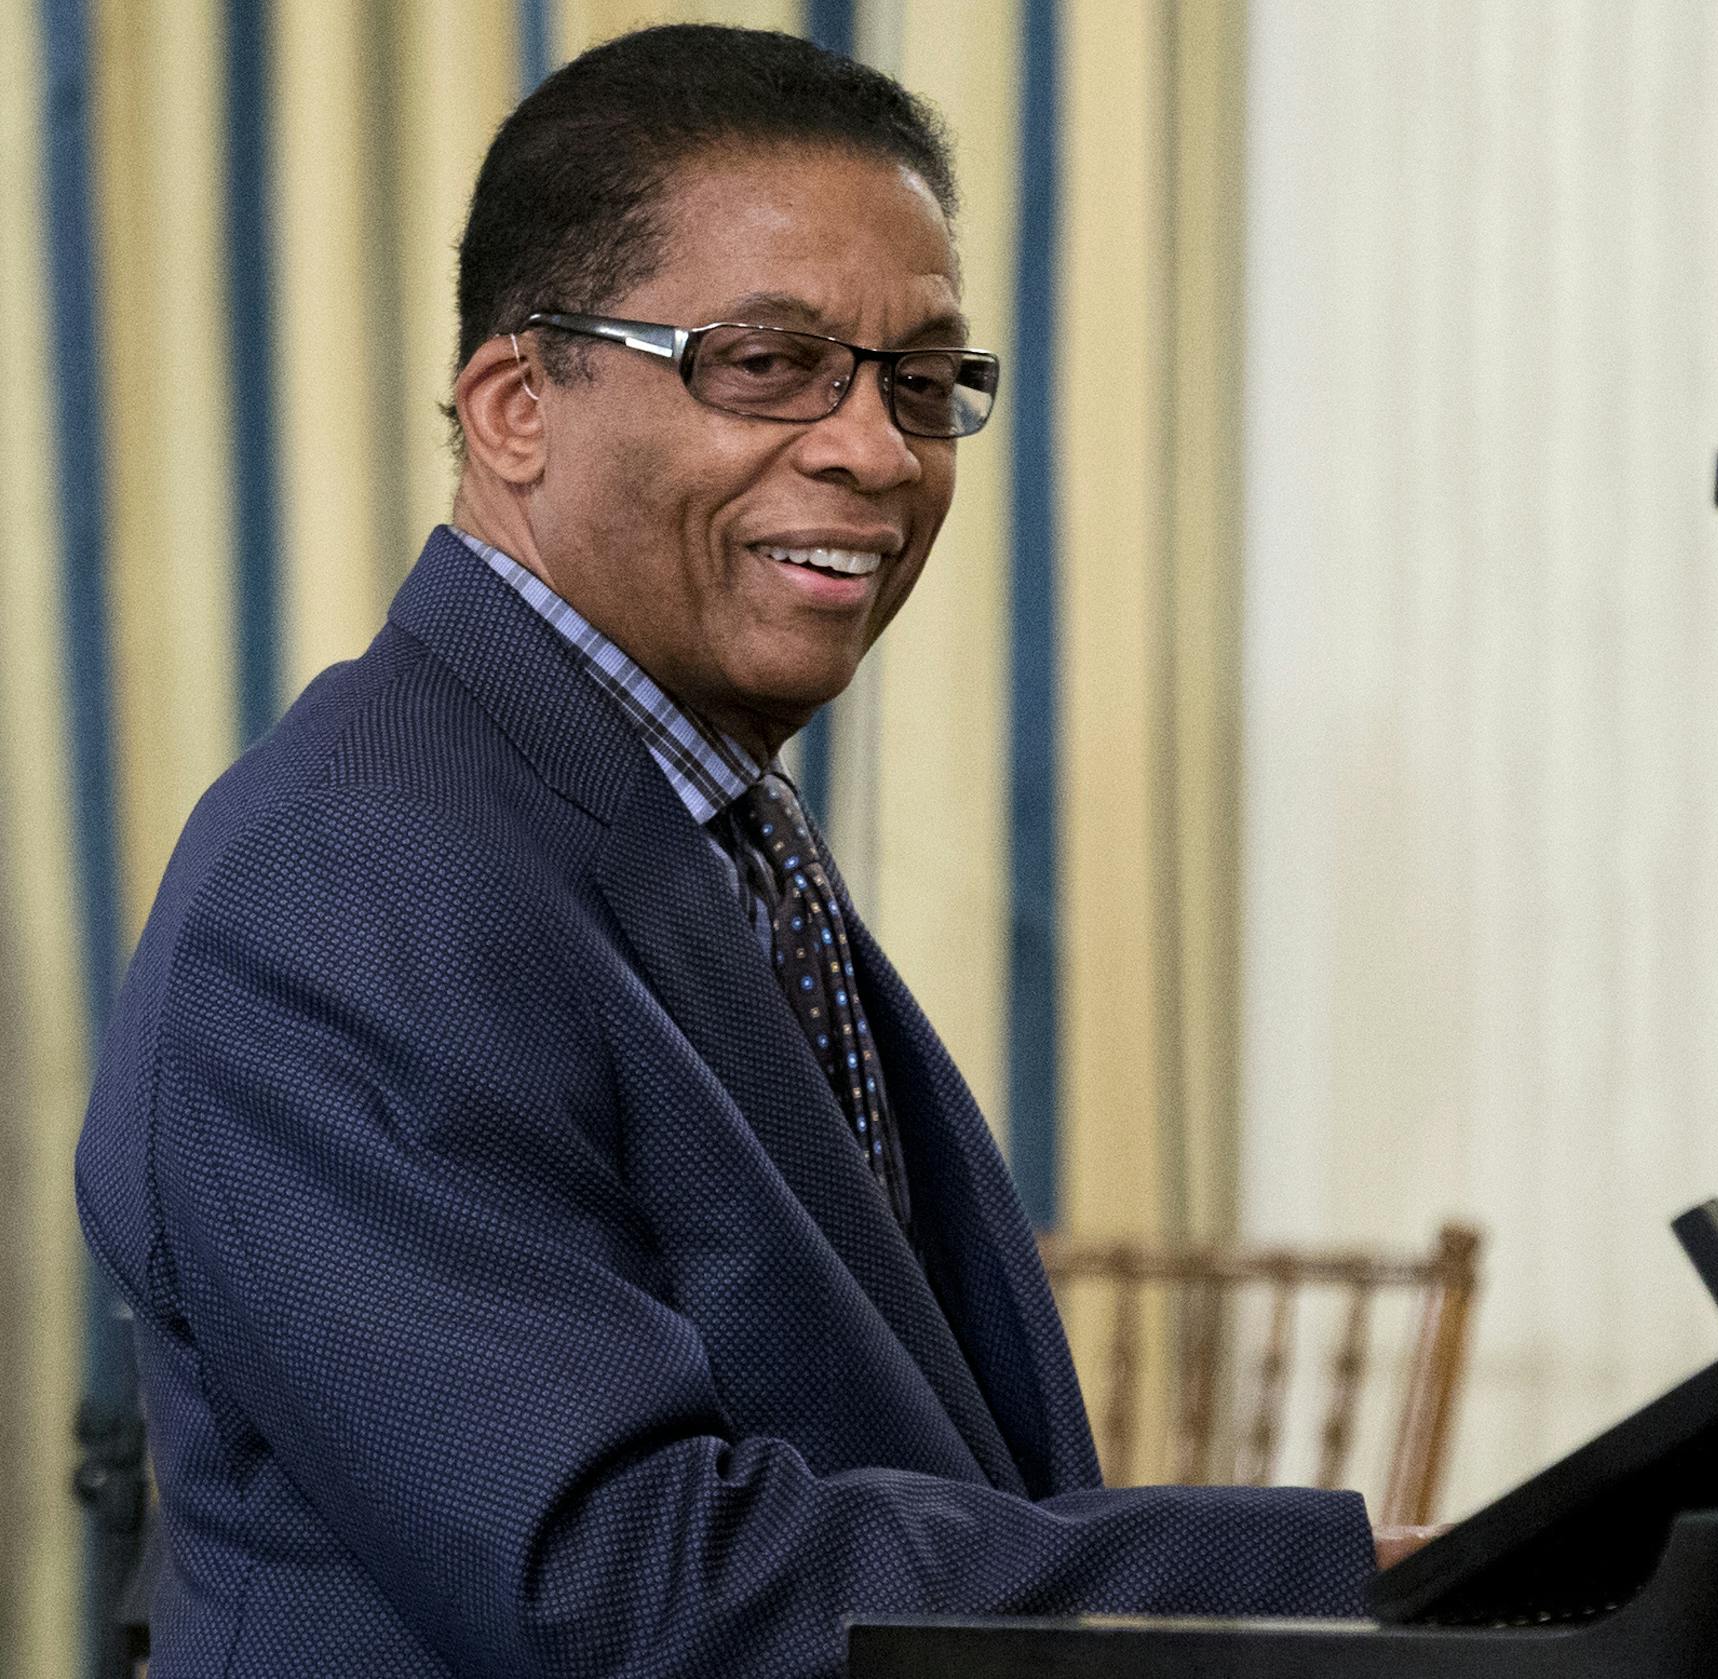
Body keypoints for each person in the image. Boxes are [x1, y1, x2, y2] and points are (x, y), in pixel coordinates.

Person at [76, 26, 1422, 1678]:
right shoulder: (350, 879)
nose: (877, 450)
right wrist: (1314, 1581)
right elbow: (625, 1578)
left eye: (921, 379)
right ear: (515, 406)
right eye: (767, 364)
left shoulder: (690, 813)